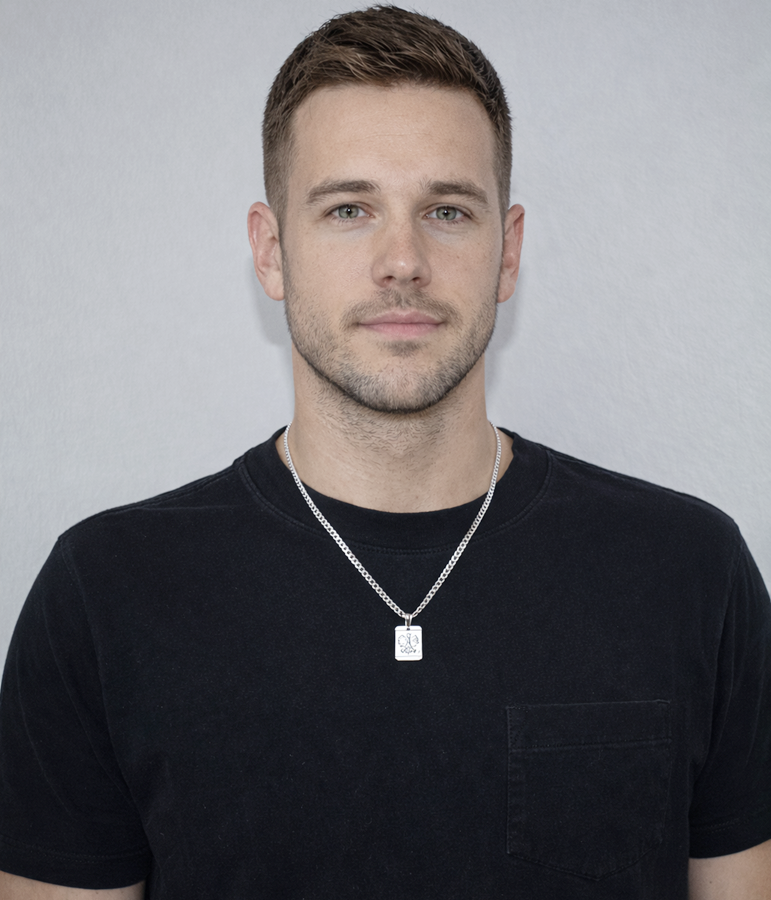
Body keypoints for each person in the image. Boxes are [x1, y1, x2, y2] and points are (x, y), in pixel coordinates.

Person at [1, 5, 769, 898]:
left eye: (446, 210)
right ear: (270, 251)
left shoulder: (687, 570)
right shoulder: (107, 591)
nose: (401, 261)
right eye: (348, 209)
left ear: (507, 252)